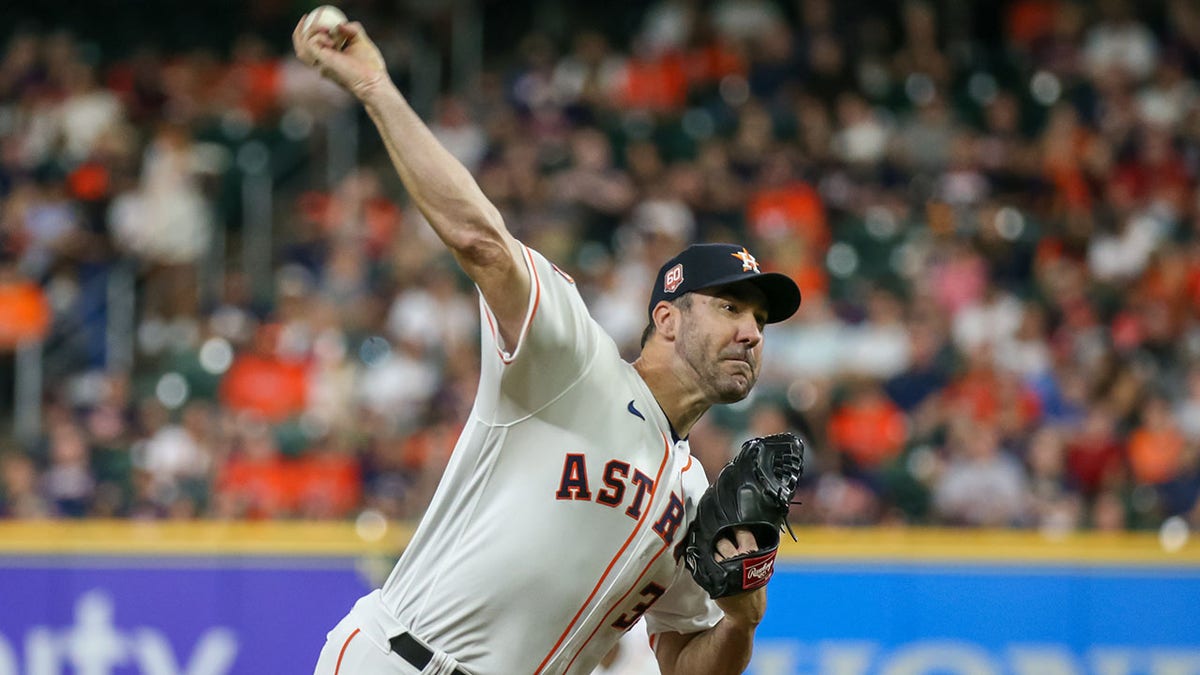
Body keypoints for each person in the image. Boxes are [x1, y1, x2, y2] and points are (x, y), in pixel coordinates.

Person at [294, 14, 802, 675]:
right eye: (730, 306)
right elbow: (480, 240)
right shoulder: (572, 361)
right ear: (668, 318)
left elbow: (683, 662)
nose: (749, 331)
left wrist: (742, 617)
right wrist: (375, 87)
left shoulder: (695, 492)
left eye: (761, 321)